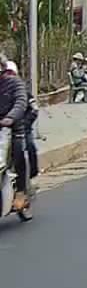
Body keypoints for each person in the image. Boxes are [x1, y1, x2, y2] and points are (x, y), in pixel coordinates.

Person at [0, 57, 31, 210]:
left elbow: (21, 101)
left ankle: (21, 192)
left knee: (18, 153)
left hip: (12, 128)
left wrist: (11, 117)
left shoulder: (14, 82)